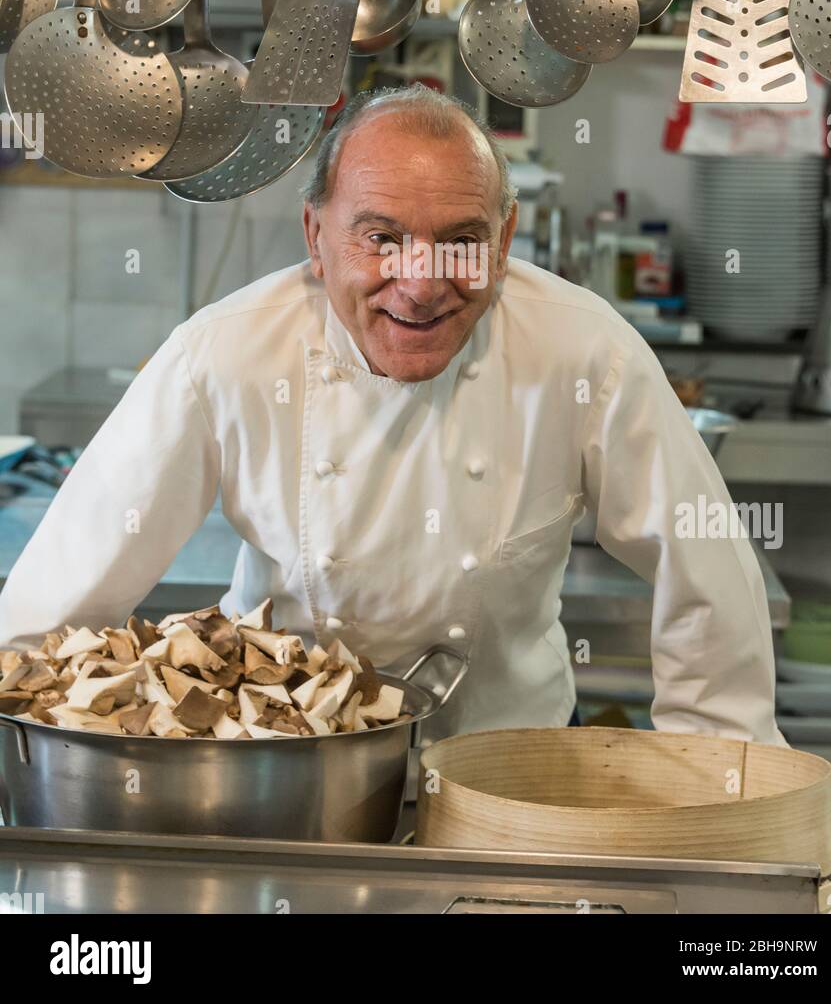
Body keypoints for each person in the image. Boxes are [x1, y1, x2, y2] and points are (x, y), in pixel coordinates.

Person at [0, 85, 784, 744]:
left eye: (461, 240)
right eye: (380, 237)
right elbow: (61, 596)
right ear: (316, 237)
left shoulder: (584, 352)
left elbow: (704, 563)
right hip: (281, 765)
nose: (420, 283)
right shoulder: (225, 354)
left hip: (507, 767)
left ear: (505, 239)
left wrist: (718, 777)